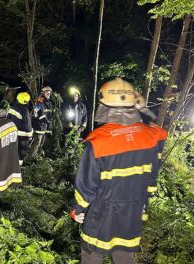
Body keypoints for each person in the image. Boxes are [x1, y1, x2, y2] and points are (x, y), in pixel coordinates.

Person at [70, 78, 167, 264]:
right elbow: (152, 177)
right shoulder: (152, 137)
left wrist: (79, 209)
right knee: (124, 255)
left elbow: (86, 186)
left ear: (104, 106)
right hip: (133, 211)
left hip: (101, 211)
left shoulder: (98, 142)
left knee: (91, 255)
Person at [7, 92, 33, 165]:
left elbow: (7, 119)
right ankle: (18, 169)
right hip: (22, 138)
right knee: (20, 154)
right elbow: (27, 126)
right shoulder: (24, 111)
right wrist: (30, 135)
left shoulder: (12, 107)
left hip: (11, 134)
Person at [29, 86, 53, 158]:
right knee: (36, 143)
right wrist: (45, 120)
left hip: (44, 126)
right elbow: (38, 113)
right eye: (47, 92)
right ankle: (30, 159)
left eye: (49, 92)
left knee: (41, 143)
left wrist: (48, 125)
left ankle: (37, 158)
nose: (48, 93)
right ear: (43, 93)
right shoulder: (40, 101)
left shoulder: (48, 103)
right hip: (38, 125)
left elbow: (49, 114)